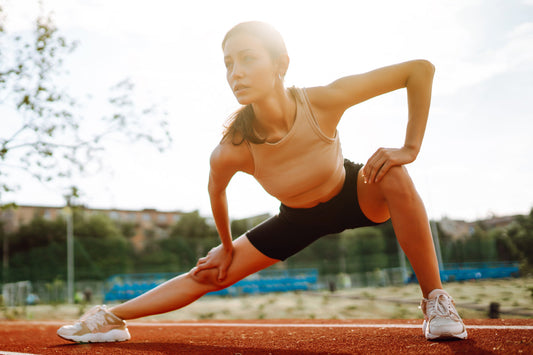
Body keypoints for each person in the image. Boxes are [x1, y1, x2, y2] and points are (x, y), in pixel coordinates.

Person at [57, 21, 467, 343]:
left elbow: (419, 71)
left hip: (351, 194)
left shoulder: (322, 101)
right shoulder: (233, 147)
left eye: (248, 58)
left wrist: (409, 147)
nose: (236, 72)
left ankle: (437, 303)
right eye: (228, 63)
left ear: (280, 65)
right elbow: (215, 191)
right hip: (296, 218)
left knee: (393, 172)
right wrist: (225, 243)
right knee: (209, 273)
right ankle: (110, 318)